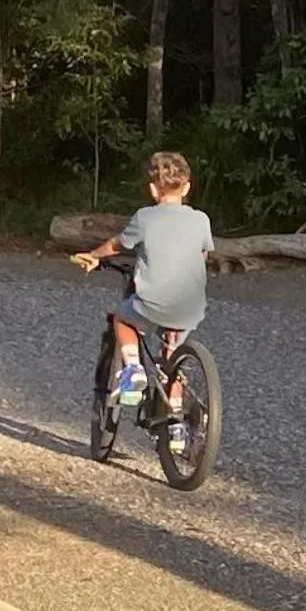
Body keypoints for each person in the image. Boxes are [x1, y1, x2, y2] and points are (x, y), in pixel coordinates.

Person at [73, 151, 213, 428]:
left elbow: (117, 245)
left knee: (122, 318)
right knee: (171, 361)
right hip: (190, 306)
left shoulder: (145, 217)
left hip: (152, 303)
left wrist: (95, 255)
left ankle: (133, 369)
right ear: (187, 188)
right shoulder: (201, 220)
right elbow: (202, 257)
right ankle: (176, 428)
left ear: (151, 189)